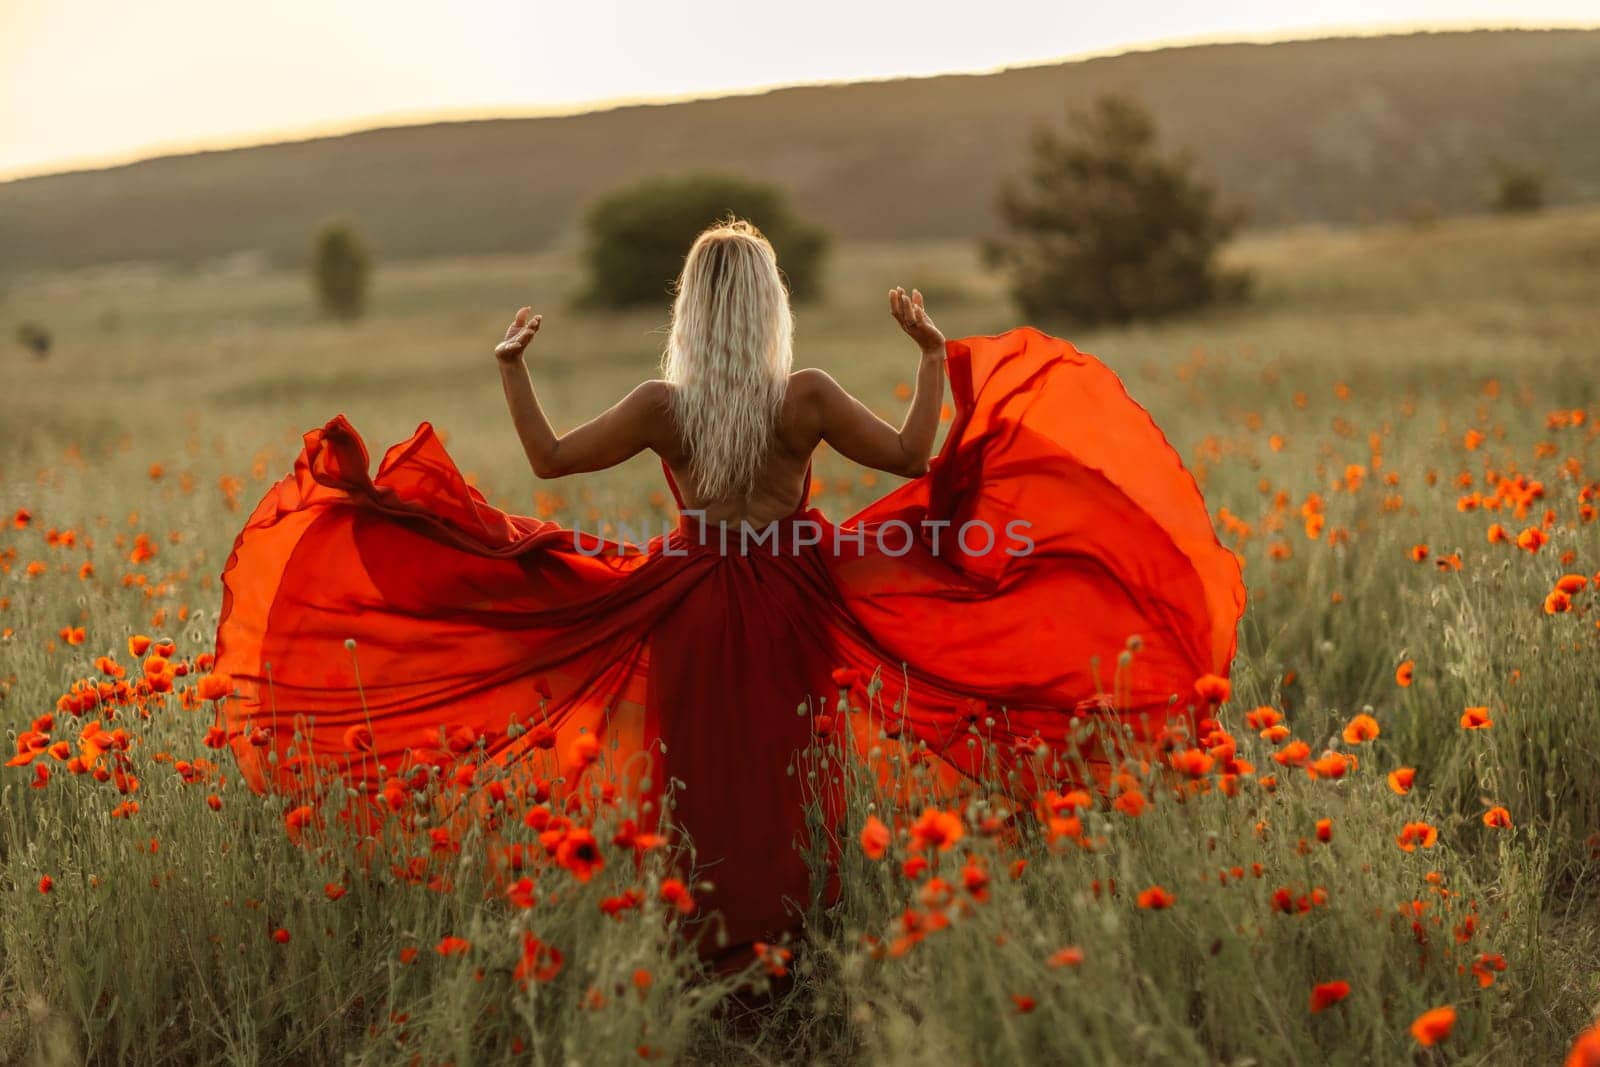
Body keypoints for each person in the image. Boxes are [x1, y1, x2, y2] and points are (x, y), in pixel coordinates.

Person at [212, 218, 1244, 968]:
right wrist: (932, 356)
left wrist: (511, 367)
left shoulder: (667, 404)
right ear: (772, 308)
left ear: (689, 312)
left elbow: (549, 459)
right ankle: (797, 942)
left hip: (694, 600)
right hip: (794, 598)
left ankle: (702, 944)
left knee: (696, 781)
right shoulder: (806, 395)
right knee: (794, 771)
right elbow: (912, 454)